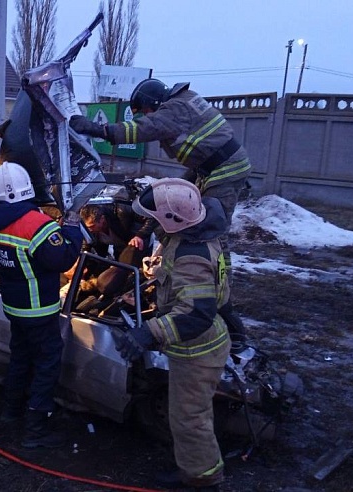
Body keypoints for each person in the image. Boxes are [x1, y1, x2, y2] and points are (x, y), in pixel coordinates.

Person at [70, 78, 251, 347]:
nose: (144, 115)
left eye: (144, 110)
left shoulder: (173, 109)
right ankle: (176, 275)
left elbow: (146, 128)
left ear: (153, 103)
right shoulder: (184, 102)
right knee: (175, 199)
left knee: (211, 234)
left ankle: (221, 307)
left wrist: (100, 130)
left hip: (223, 171)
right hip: (210, 166)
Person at [112, 178, 232, 491]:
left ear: (173, 219)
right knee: (188, 415)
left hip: (199, 350)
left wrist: (148, 332)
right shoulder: (196, 233)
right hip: (198, 347)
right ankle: (192, 468)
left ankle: (204, 481)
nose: (150, 222)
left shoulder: (191, 256)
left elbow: (196, 314)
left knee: (190, 418)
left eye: (156, 218)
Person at [0, 162, 83, 448]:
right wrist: (72, 229)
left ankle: (11, 412)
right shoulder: (36, 225)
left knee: (20, 359)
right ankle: (35, 430)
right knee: (47, 364)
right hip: (39, 309)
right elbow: (63, 259)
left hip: (14, 308)